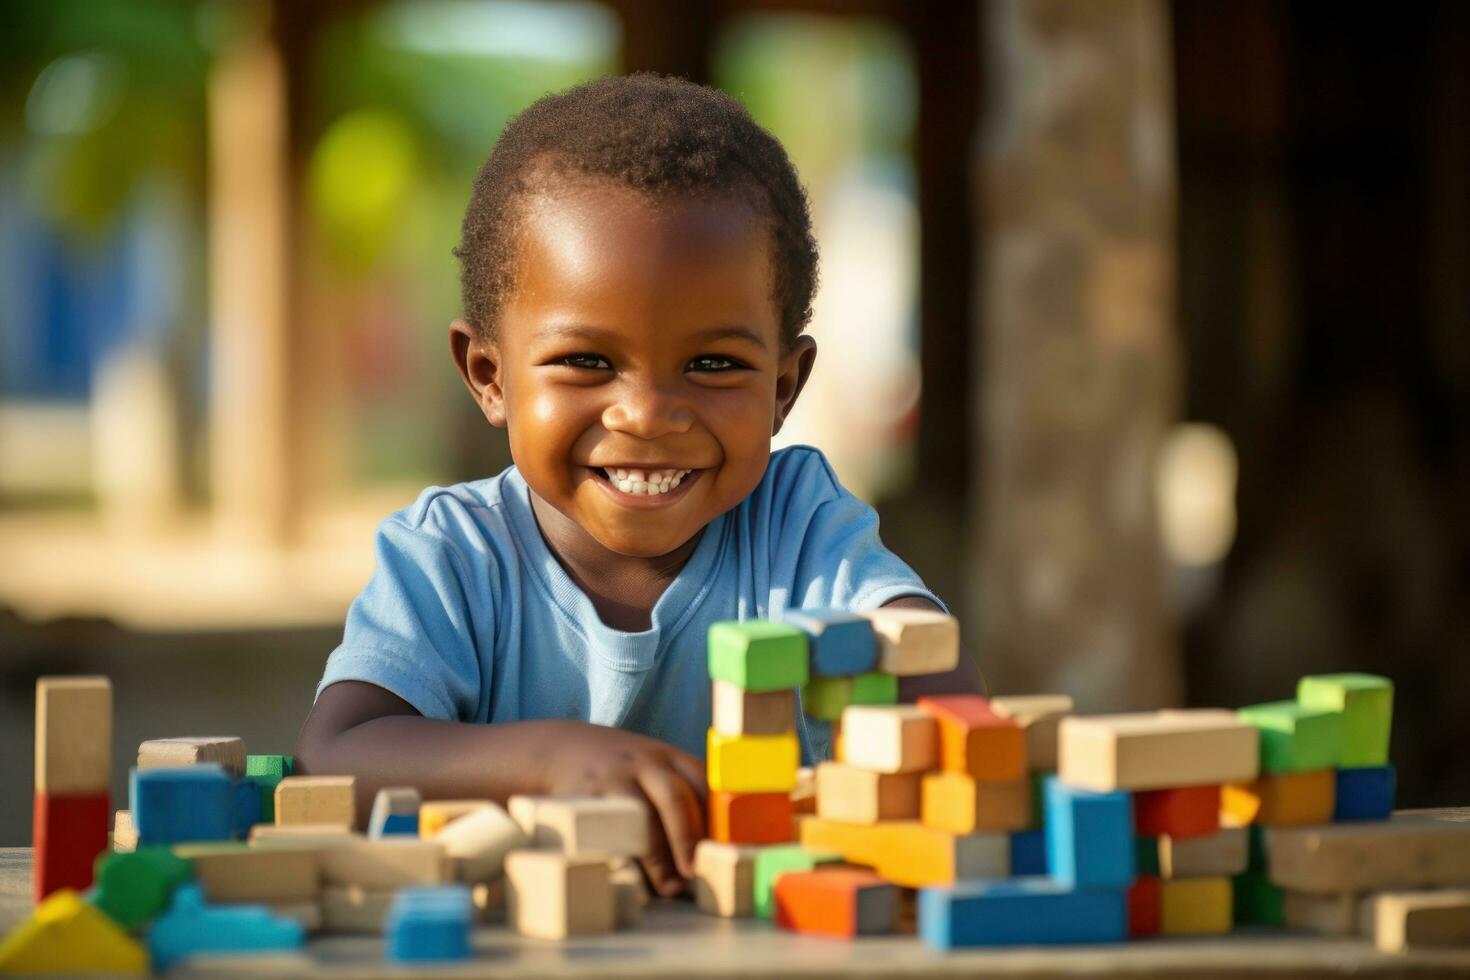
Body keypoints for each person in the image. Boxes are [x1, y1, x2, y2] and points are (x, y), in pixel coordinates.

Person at [295, 73, 977, 898]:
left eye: (714, 365)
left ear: (784, 388)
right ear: (488, 374)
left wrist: (930, 712)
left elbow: (930, 681)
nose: (649, 414)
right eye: (588, 362)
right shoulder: (453, 553)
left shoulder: (798, 527)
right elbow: (337, 753)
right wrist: (549, 761)